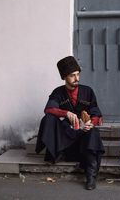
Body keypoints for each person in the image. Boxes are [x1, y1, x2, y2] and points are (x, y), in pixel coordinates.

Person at [35, 56, 104, 190]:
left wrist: (92, 123)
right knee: (48, 118)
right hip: (65, 139)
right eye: (72, 75)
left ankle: (90, 175)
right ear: (64, 77)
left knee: (93, 132)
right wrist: (65, 113)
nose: (76, 78)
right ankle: (56, 152)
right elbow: (49, 108)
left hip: (83, 140)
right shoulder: (58, 92)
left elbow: (96, 111)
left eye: (78, 74)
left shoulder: (87, 91)